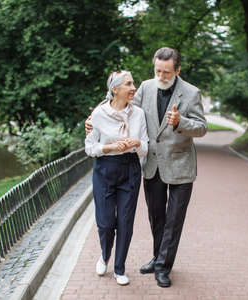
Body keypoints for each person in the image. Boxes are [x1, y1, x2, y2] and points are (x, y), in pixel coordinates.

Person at [86, 47, 207, 287]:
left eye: (166, 72)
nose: (161, 76)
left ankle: (163, 266)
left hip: (181, 165)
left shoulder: (191, 93)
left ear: (177, 70)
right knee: (156, 217)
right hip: (152, 164)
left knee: (174, 219)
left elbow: (202, 128)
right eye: (157, 71)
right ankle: (157, 256)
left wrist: (180, 122)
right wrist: (93, 117)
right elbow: (122, 102)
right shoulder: (146, 87)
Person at [85, 70, 149, 286]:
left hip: (130, 169)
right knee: (105, 223)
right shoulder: (98, 114)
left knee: (125, 222)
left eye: (134, 83)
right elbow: (90, 148)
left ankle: (120, 267)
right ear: (115, 89)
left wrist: (136, 144)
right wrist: (111, 146)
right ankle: (104, 255)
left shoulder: (139, 114)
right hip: (105, 169)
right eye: (129, 84)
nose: (133, 88)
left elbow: (146, 147)